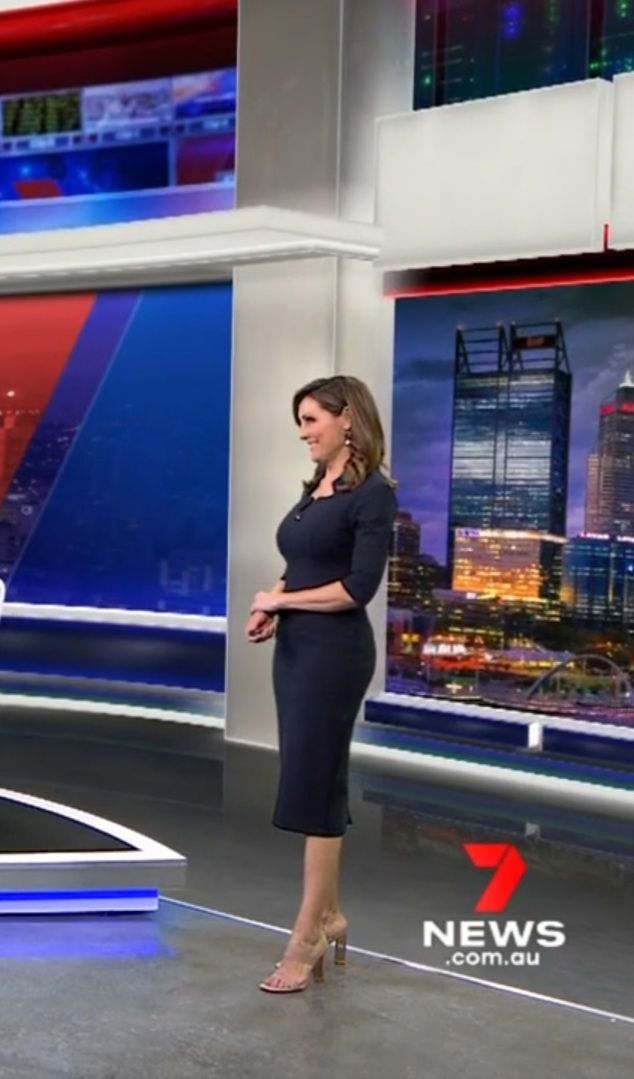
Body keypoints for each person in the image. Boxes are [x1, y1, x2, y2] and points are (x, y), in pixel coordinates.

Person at [244, 374, 398, 994]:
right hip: (296, 650)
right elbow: (303, 564)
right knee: (314, 780)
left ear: (347, 420)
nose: (303, 432)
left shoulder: (374, 495)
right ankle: (330, 916)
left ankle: (308, 934)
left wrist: (282, 602)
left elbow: (357, 588)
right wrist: (273, 600)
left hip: (335, 656)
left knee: (316, 785)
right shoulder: (317, 489)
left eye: (311, 420)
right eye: (301, 421)